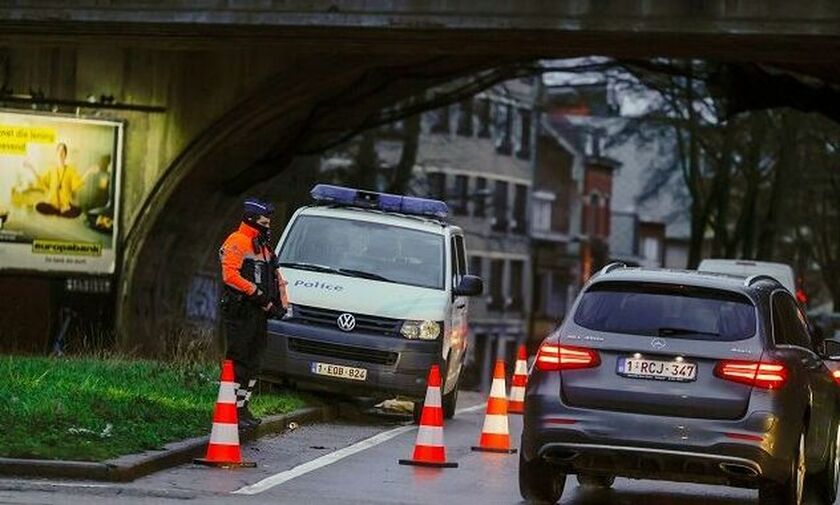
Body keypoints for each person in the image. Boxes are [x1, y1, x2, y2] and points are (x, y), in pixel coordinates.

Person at [219, 197, 289, 430]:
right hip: (241, 310)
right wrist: (257, 294)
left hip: (260, 311)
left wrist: (281, 305)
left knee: (254, 362)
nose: (268, 226)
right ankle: (230, 408)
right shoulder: (237, 241)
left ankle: (242, 406)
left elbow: (277, 277)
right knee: (238, 359)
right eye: (264, 222)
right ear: (251, 220)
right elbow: (230, 275)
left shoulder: (264, 247)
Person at [27, 143, 93, 218]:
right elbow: (42, 180)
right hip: (52, 204)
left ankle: (62, 210)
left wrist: (88, 172)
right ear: (56, 154)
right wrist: (31, 168)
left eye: (63, 151)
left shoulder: (71, 170)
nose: (61, 153)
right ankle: (59, 211)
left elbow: (78, 182)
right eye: (59, 151)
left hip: (65, 205)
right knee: (38, 206)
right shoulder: (51, 170)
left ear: (65, 155)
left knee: (78, 210)